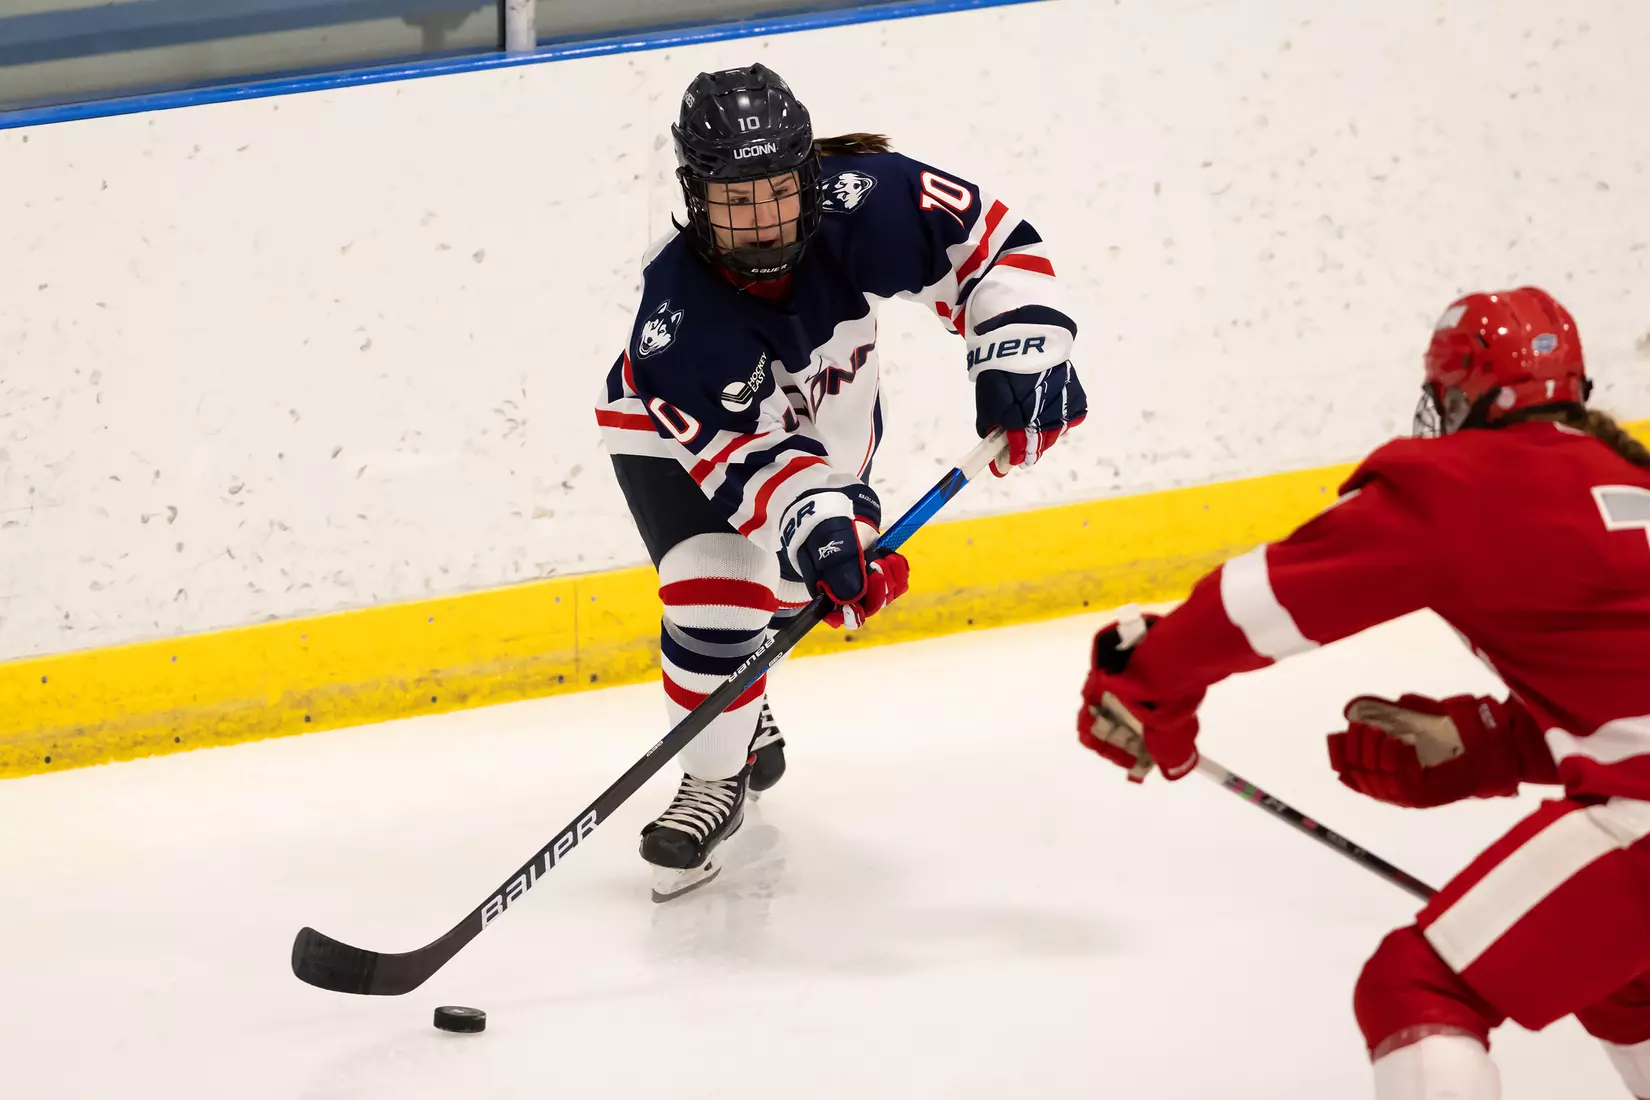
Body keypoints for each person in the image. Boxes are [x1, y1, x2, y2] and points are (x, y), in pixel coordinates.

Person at [1076, 287, 1650, 1098]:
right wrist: (1484, 742)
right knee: (1625, 978)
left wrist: (1146, 681)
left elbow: (1264, 602)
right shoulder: (1628, 476)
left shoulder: (1465, 482)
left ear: (1463, 393)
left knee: (1416, 988)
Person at [596, 63, 1087, 900]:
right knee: (718, 592)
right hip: (677, 432)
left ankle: (741, 694)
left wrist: (1022, 345)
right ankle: (712, 780)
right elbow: (757, 463)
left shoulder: (867, 200)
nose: (762, 222)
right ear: (694, 194)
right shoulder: (676, 324)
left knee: (794, 588)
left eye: (779, 191)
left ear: (810, 174)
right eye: (734, 202)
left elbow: (995, 246)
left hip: (829, 408)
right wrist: (823, 519)